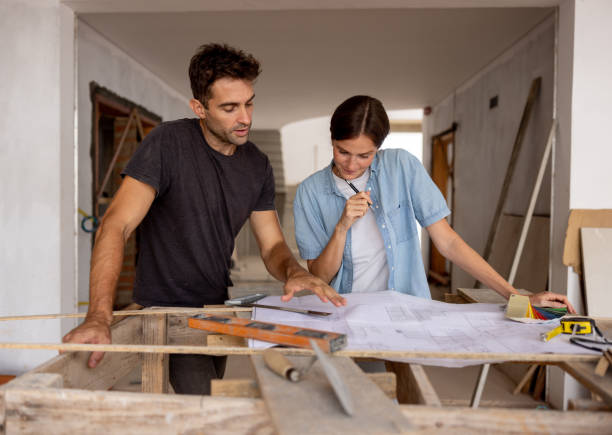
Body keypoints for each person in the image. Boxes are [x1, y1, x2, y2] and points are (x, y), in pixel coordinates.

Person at [63, 43, 345, 395]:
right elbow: (115, 224)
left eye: (249, 102)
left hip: (217, 305)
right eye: (229, 107)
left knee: (215, 397)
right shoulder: (167, 144)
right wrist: (99, 316)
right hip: (168, 308)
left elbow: (272, 245)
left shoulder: (256, 164)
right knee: (206, 405)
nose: (245, 118)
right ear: (199, 107)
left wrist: (294, 271)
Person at [293, 95, 575, 312]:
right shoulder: (310, 192)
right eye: (343, 152)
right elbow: (320, 275)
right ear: (332, 139)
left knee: (404, 388)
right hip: (344, 312)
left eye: (364, 156)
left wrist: (515, 295)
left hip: (405, 312)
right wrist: (342, 227)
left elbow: (448, 242)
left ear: (378, 149)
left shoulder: (402, 166)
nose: (352, 164)